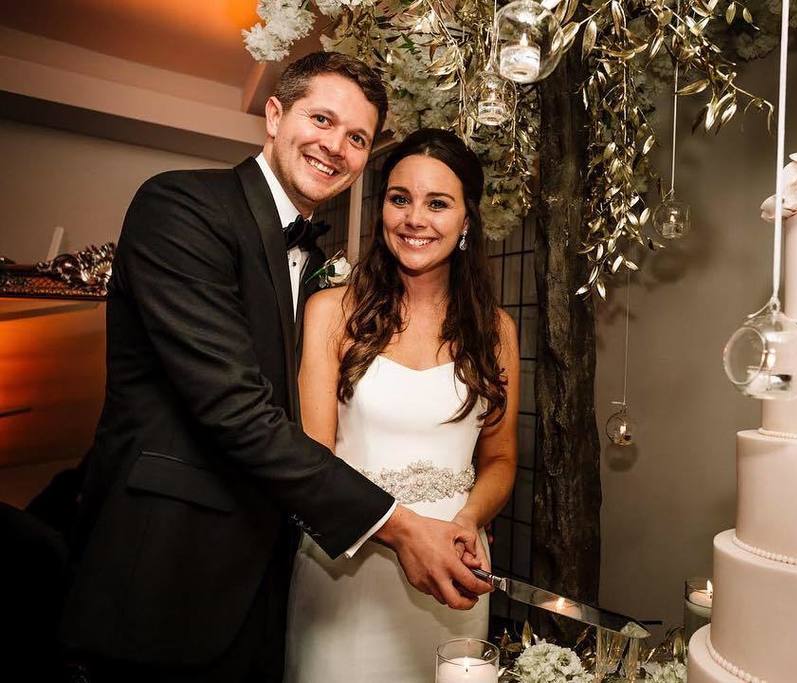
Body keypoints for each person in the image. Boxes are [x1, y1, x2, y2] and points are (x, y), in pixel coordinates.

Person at [59, 53, 490, 682]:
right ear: (273, 114)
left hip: (270, 579)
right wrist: (398, 525)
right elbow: (236, 409)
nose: (335, 146)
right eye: (322, 119)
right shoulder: (182, 207)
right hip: (168, 573)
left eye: (357, 138)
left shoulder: (322, 268)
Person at [284, 128, 519, 681]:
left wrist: (468, 519)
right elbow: (314, 462)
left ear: (467, 220)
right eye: (399, 199)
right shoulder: (331, 311)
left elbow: (501, 458)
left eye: (438, 203)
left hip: (455, 571)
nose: (415, 219)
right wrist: (406, 531)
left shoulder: (496, 330)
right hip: (347, 569)